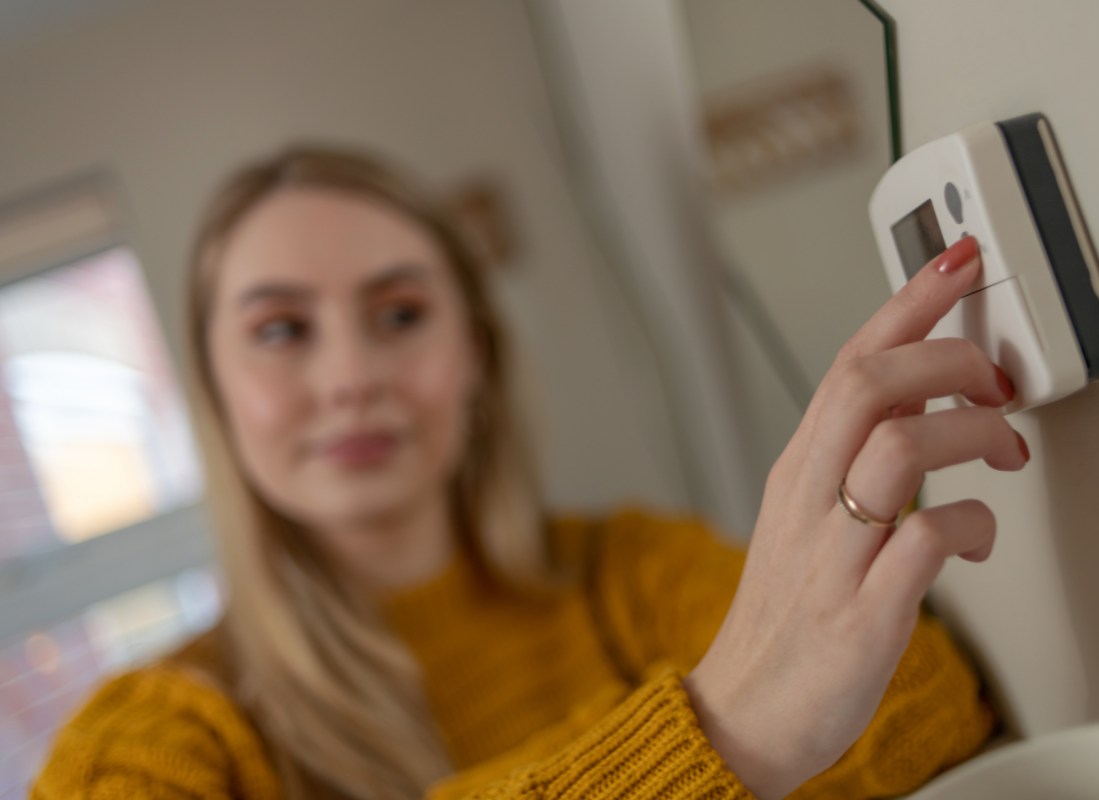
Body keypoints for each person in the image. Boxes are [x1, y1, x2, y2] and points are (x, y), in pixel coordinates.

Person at [33, 145, 1022, 799]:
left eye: (400, 314)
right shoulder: (157, 737)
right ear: (213, 387)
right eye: (281, 330)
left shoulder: (625, 572)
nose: (350, 378)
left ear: (476, 354)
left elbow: (921, 704)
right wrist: (718, 726)